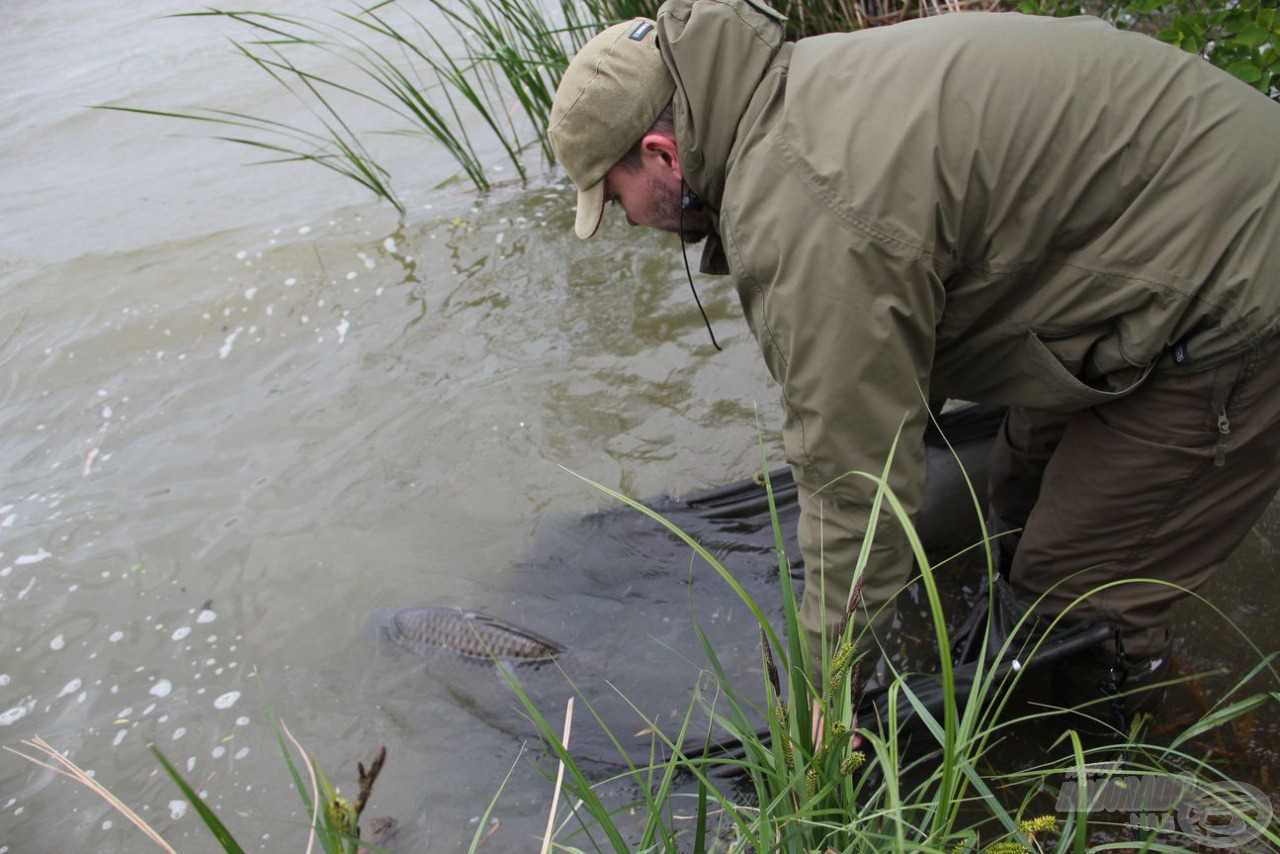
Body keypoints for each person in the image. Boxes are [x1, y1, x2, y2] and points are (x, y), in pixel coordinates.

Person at [547, 1, 1280, 726]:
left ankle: (1140, 779)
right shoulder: (800, 85)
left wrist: (820, 711)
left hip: (1240, 286)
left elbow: (857, 496)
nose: (626, 223)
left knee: (1072, 598)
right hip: (1168, 224)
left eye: (614, 198)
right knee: (1016, 494)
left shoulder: (804, 210)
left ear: (662, 155)